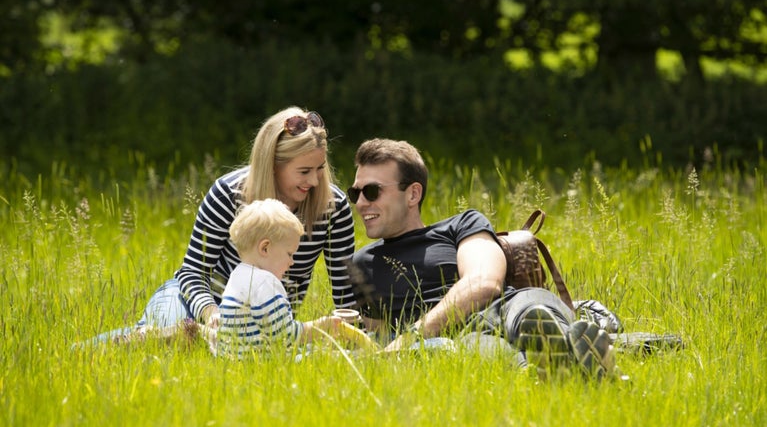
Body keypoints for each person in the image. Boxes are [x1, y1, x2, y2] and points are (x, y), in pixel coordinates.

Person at [347, 138, 617, 378]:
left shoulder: (461, 225)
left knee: (532, 311)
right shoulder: (361, 264)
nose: (360, 203)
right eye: (355, 193)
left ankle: (561, 350)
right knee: (477, 348)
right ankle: (571, 365)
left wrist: (414, 335)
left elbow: (484, 281)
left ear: (413, 194)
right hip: (458, 336)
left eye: (372, 191)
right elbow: (377, 336)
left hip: (505, 307)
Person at [86, 106, 356, 345]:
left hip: (261, 319)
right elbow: (192, 272)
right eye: (304, 172)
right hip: (197, 304)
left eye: (320, 168)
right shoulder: (229, 193)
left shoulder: (333, 207)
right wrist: (211, 314)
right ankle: (88, 352)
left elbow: (346, 291)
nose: (316, 181)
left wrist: (354, 336)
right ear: (273, 165)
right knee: (172, 338)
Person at [215, 198, 351, 358]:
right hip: (263, 362)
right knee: (338, 356)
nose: (292, 262)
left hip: (240, 361)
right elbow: (284, 337)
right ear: (265, 248)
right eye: (289, 254)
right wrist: (321, 327)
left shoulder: (237, 276)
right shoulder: (265, 282)